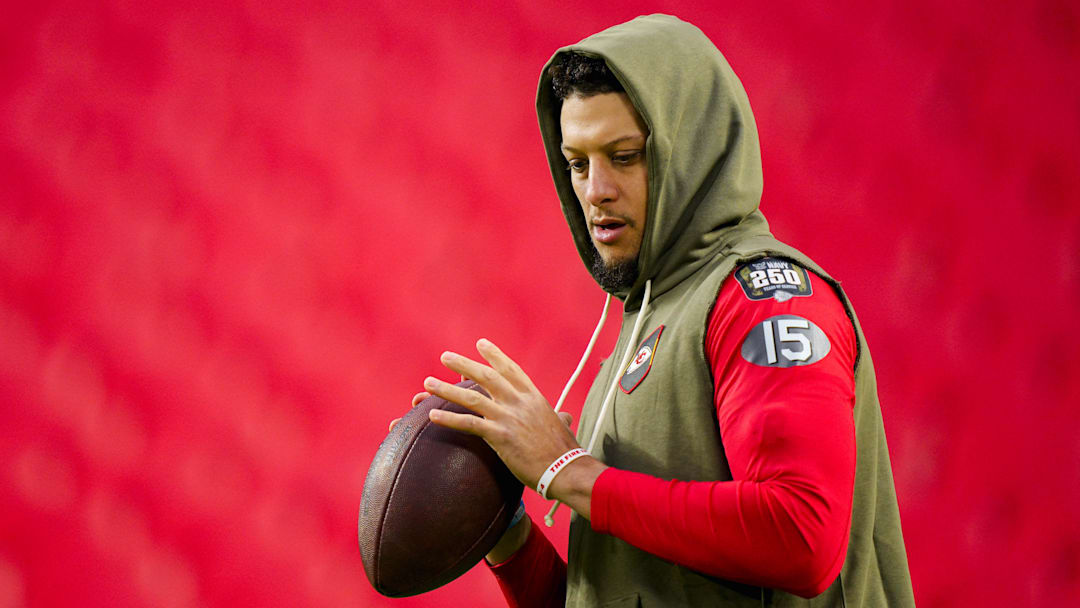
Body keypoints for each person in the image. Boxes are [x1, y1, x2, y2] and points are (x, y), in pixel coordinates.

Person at [415, 14, 915, 607]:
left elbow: (801, 536)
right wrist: (505, 527)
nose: (596, 190)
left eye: (625, 156)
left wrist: (569, 471)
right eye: (578, 163)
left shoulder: (764, 299)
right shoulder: (646, 324)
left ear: (693, 147)